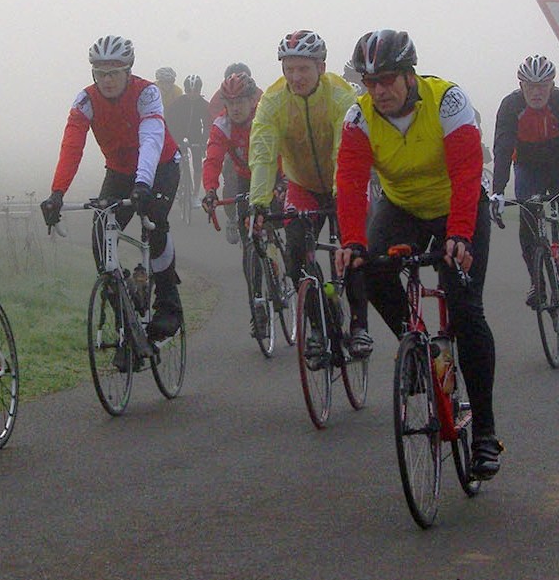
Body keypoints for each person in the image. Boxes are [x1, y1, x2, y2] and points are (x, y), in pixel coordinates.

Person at [334, 29, 502, 479]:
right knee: (368, 269)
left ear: (409, 75)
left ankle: (484, 434)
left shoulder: (448, 101)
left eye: (387, 79)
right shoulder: (359, 118)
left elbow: (468, 172)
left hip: (457, 206)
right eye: (369, 83)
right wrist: (351, 242)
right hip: (403, 206)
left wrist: (461, 235)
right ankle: (420, 349)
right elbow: (349, 184)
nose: (379, 90)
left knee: (466, 312)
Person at [40, 35, 183, 341]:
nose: (107, 80)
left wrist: (143, 183)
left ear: (128, 71)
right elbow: (71, 147)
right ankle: (124, 317)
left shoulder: (146, 93)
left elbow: (151, 137)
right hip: (119, 171)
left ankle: (169, 303)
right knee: (100, 233)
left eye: (114, 72)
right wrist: (57, 193)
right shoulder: (85, 101)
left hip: (160, 166)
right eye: (100, 73)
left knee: (155, 222)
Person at [247, 29, 368, 356]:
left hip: (343, 183)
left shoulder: (341, 97)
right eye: (290, 69)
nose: (296, 76)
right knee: (296, 255)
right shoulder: (273, 101)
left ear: (321, 67)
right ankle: (317, 327)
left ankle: (359, 326)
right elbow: (262, 152)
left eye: (304, 69)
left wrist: (341, 197)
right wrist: (258, 201)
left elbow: (346, 151)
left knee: (352, 251)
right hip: (301, 185)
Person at [492, 54, 559, 326]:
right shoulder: (510, 106)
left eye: (543, 86)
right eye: (530, 86)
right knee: (527, 221)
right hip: (528, 165)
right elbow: (502, 147)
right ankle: (536, 282)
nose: (536, 92)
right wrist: (498, 190)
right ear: (521, 85)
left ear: (552, 85)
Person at [201, 71, 260, 245]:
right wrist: (210, 191)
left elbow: (282, 151)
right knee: (245, 231)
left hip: (274, 175)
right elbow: (213, 160)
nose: (235, 108)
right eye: (230, 103)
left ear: (252, 101)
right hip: (245, 177)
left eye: (240, 102)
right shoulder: (222, 125)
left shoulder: (264, 117)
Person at [165, 74, 209, 205]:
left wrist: (203, 142)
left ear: (200, 91)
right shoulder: (178, 103)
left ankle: (195, 194)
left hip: (195, 135)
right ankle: (179, 187)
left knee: (197, 165)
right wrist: (172, 140)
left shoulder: (203, 105)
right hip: (178, 133)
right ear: (185, 90)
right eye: (189, 91)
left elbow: (207, 125)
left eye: (195, 91)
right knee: (176, 162)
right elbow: (169, 121)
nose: (192, 94)